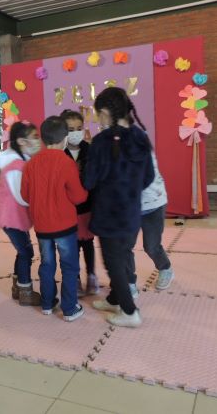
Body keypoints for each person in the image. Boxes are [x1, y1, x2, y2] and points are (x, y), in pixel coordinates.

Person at [84, 87, 154, 328]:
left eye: (98, 114)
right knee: (122, 256)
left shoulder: (101, 142)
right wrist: (129, 191)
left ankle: (129, 312)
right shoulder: (140, 136)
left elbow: (89, 181)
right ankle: (114, 299)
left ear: (105, 113)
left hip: (108, 216)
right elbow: (148, 177)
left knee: (113, 263)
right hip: (131, 214)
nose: (98, 119)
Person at [21, 117, 88, 322]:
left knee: (46, 264)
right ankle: (69, 308)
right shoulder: (67, 163)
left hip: (42, 226)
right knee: (69, 266)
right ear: (65, 138)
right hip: (65, 226)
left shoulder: (31, 164)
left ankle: (47, 303)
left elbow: (25, 195)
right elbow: (78, 197)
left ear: (42, 138)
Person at [0, 122, 42, 306]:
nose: (38, 141)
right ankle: (25, 291)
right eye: (34, 137)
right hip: (11, 217)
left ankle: (17, 287)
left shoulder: (22, 162)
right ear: (21, 141)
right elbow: (22, 196)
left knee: (23, 250)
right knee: (26, 252)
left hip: (16, 216)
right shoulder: (16, 166)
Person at [61, 109, 99, 296]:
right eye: (70, 129)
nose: (75, 133)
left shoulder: (89, 150)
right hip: (68, 209)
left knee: (88, 244)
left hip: (87, 208)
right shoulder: (60, 153)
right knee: (72, 246)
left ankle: (91, 275)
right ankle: (75, 278)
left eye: (78, 128)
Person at [138, 151, 175, 291]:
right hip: (130, 206)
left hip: (153, 204)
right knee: (122, 247)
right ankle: (128, 282)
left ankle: (165, 268)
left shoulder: (142, 150)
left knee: (151, 246)